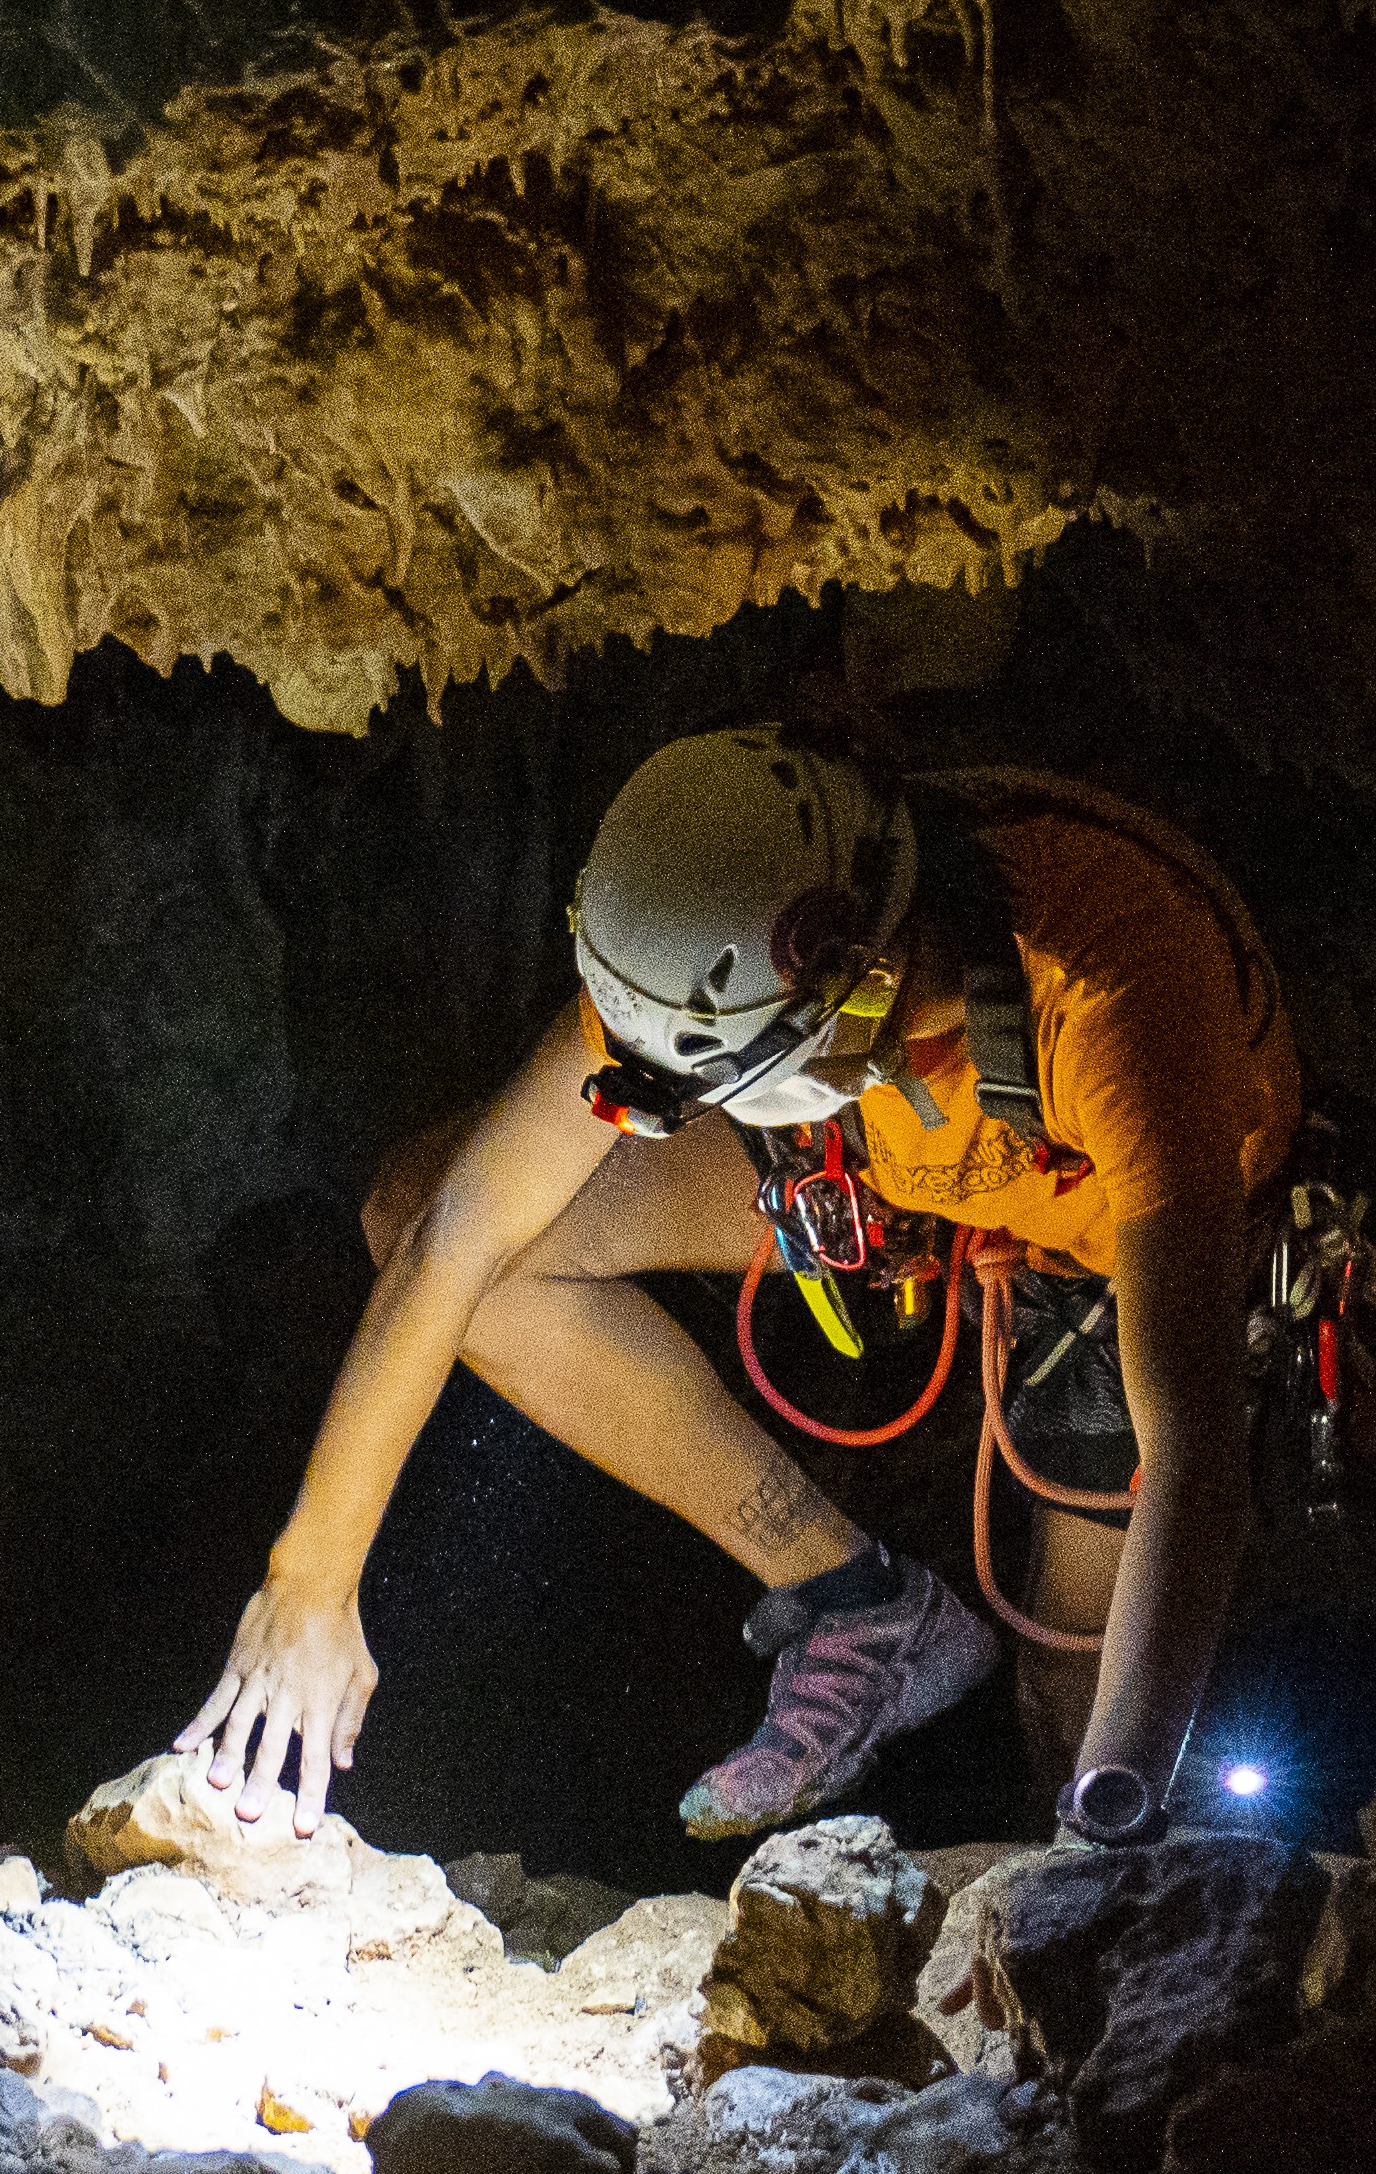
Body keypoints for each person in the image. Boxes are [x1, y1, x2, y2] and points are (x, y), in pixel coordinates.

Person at [173, 717, 1304, 1848]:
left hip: (1096, 1232)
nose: (674, 1115)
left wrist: (1114, 1804)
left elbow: (1193, 1444)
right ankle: (861, 1611)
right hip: (880, 1147)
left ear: (851, 1003)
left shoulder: (1116, 997)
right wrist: (311, 1580)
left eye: (706, 1091)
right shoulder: (712, 920)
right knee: (442, 1214)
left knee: (1074, 1723)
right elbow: (451, 1232)